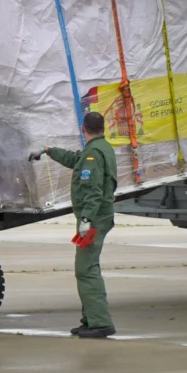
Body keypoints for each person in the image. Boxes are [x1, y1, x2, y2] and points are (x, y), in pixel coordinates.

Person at [31, 111, 118, 338]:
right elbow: (73, 159)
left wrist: (87, 219)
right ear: (103, 128)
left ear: (83, 128)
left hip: (94, 219)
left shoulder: (94, 155)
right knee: (89, 268)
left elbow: (93, 191)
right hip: (98, 217)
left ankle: (100, 322)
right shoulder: (100, 149)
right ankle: (91, 319)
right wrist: (48, 151)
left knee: (85, 270)